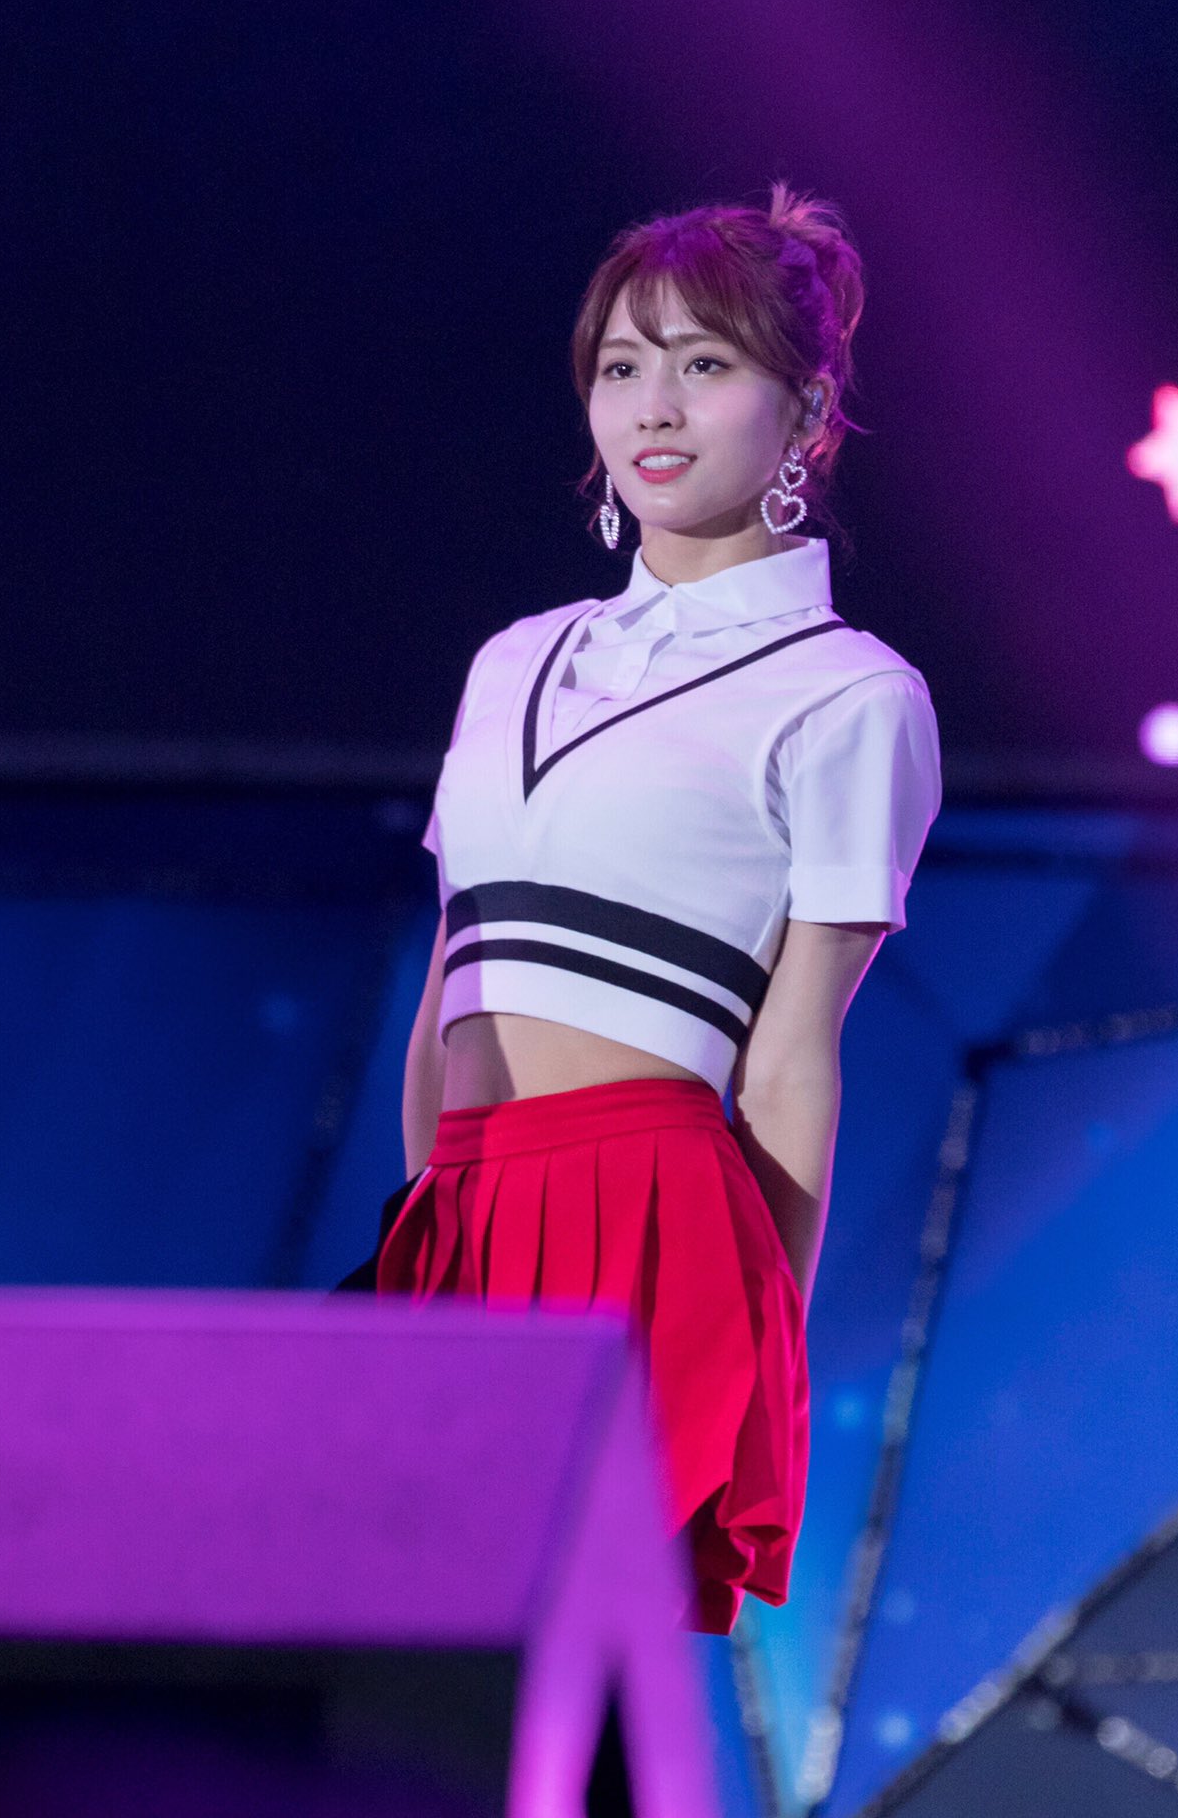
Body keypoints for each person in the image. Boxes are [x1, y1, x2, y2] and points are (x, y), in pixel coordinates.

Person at [357, 183, 943, 1635]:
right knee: (412, 1652)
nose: (653, 405)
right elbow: (452, 982)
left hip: (652, 1214)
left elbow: (792, 1058)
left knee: (571, 1655)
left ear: (808, 412)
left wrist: (767, 1348)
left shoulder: (851, 694)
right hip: (462, 1202)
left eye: (705, 362)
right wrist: (432, 1214)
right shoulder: (516, 659)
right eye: (622, 365)